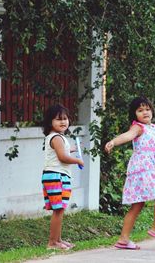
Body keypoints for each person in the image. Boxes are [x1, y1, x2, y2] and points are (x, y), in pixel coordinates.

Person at [105, 96, 155, 250]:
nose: (145, 112)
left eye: (147, 109)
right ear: (135, 114)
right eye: (140, 110)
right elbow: (127, 136)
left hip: (149, 168)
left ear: (152, 111)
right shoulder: (138, 127)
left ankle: (123, 239)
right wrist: (113, 142)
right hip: (144, 167)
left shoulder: (154, 128)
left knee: (137, 205)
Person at [42, 104, 84, 250]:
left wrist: (71, 149)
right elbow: (62, 157)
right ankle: (53, 242)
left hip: (56, 175)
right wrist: (77, 160)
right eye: (58, 119)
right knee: (58, 209)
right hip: (56, 176)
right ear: (50, 122)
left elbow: (62, 152)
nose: (63, 122)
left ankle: (58, 240)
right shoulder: (56, 138)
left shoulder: (58, 138)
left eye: (65, 119)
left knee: (59, 209)